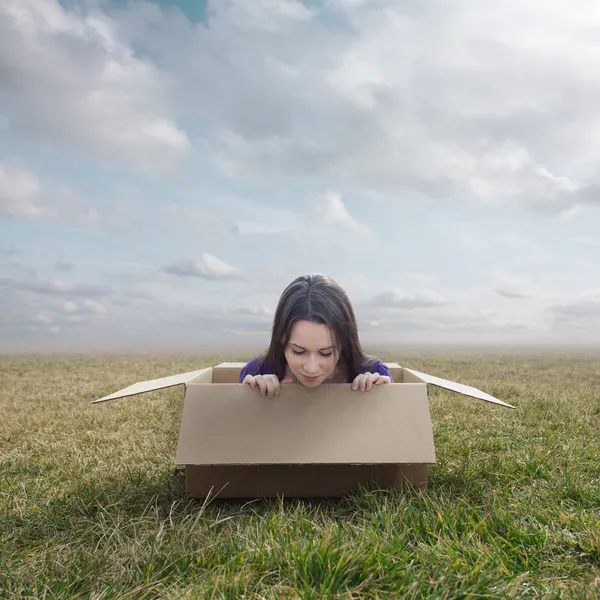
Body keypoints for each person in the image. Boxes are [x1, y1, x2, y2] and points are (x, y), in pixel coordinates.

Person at [239, 274, 393, 398]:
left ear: (344, 342)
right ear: (281, 339)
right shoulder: (257, 371)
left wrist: (382, 395)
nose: (311, 368)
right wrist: (250, 397)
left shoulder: (374, 372)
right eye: (298, 351)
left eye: (326, 353)